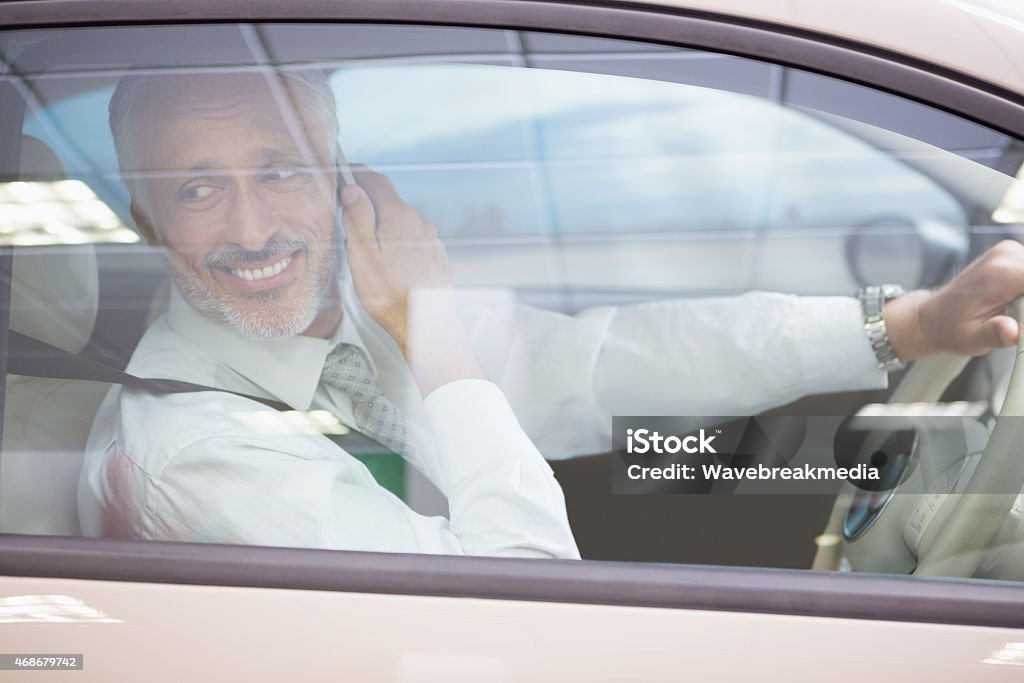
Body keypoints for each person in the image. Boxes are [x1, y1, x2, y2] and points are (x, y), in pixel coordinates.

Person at [79, 68, 1024, 558]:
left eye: (279, 170)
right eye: (197, 189)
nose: (252, 229)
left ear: (343, 185)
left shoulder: (348, 318)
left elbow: (603, 365)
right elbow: (515, 583)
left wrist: (907, 326)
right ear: (148, 223)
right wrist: (433, 323)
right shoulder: (189, 447)